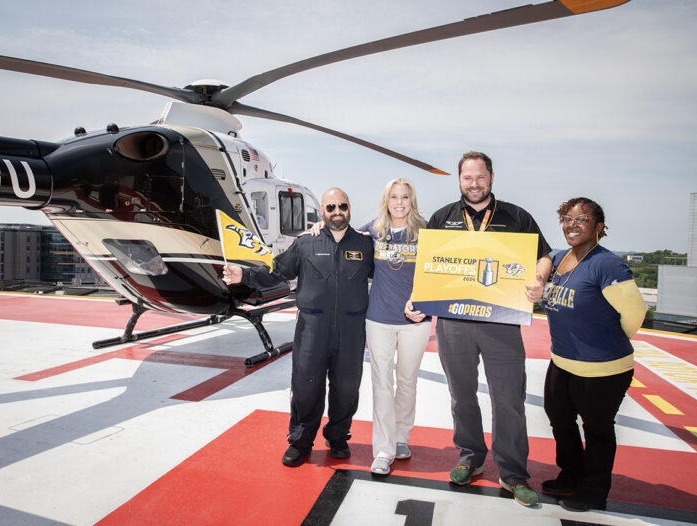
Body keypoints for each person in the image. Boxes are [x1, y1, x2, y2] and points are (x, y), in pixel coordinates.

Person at [405, 151, 552, 507]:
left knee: (509, 399)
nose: (474, 184)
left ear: (491, 177)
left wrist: (539, 281)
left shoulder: (517, 216)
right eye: (467, 178)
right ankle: (470, 457)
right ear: (459, 180)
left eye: (480, 177)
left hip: (501, 322)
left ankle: (513, 473)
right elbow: (428, 267)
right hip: (455, 323)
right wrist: (416, 299)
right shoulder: (443, 218)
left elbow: (544, 255)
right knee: (461, 395)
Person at [223, 187, 374, 467]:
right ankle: (301, 441)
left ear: (349, 208)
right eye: (330, 207)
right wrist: (243, 274)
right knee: (306, 385)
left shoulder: (366, 245)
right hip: (312, 329)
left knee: (347, 387)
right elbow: (277, 271)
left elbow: (389, 276)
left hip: (351, 331)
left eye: (342, 206)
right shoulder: (306, 243)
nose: (337, 212)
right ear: (323, 212)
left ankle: (338, 437)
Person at [306, 178, 431, 476]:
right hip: (378, 319)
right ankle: (384, 450)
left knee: (408, 381)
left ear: (412, 200)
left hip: (417, 321)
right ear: (385, 200)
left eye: (405, 197)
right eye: (394, 197)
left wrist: (423, 302)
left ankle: (402, 437)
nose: (399, 202)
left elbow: (439, 273)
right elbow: (341, 232)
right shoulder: (373, 229)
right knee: (382, 384)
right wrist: (317, 229)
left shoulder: (426, 231)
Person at [541, 197, 646, 512]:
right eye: (567, 219)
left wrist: (608, 338)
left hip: (603, 368)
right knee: (560, 419)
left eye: (581, 219)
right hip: (562, 361)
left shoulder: (607, 264)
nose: (572, 225)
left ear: (599, 227)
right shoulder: (560, 258)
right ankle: (571, 475)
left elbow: (636, 313)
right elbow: (544, 256)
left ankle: (593, 490)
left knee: (597, 429)